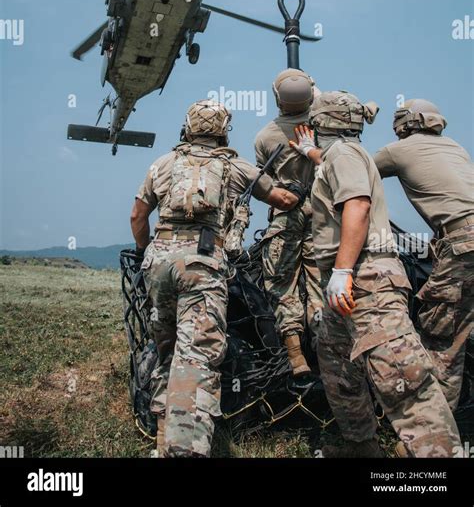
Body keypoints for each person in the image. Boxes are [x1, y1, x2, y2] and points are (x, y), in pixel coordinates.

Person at [290, 90, 463, 458]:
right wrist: (311, 154)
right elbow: (340, 171)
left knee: (402, 377)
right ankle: (361, 447)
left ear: (322, 122)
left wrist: (342, 270)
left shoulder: (346, 154)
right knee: (338, 366)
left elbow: (357, 204)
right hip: (348, 283)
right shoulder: (341, 155)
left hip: (365, 279)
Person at [130, 99, 299, 458]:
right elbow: (283, 199)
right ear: (224, 130)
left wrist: (148, 251)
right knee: (197, 358)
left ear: (187, 127)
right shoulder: (236, 167)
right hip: (203, 266)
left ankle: (163, 436)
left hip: (158, 266)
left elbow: (137, 216)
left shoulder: (162, 164)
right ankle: (185, 450)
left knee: (167, 353)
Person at [374, 98, 474, 411]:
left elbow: (354, 170)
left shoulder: (399, 150)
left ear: (406, 122)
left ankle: (434, 429)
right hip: (460, 240)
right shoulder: (454, 146)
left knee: (443, 336)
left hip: (462, 244)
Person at [255, 69, 323, 376]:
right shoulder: (323, 128)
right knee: (321, 283)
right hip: (322, 215)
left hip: (285, 217)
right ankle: (326, 351)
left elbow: (260, 184)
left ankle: (296, 357)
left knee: (282, 284)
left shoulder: (265, 136)